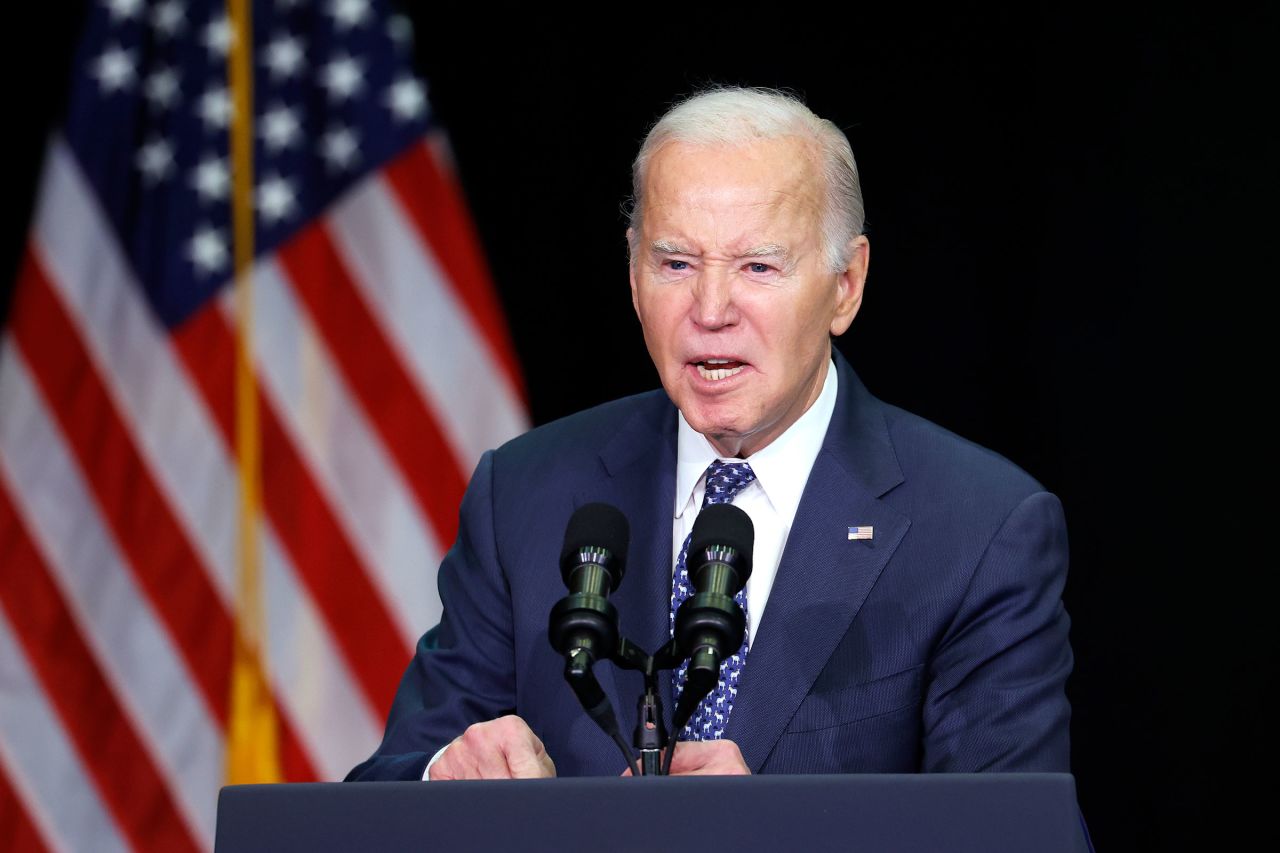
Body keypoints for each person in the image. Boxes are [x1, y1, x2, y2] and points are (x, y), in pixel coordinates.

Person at [347, 86, 1072, 781]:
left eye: (757, 265)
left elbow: (1004, 830)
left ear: (845, 284)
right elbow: (382, 793)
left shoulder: (977, 528)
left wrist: (772, 829)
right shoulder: (528, 494)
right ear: (634, 277)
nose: (712, 308)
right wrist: (444, 771)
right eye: (676, 264)